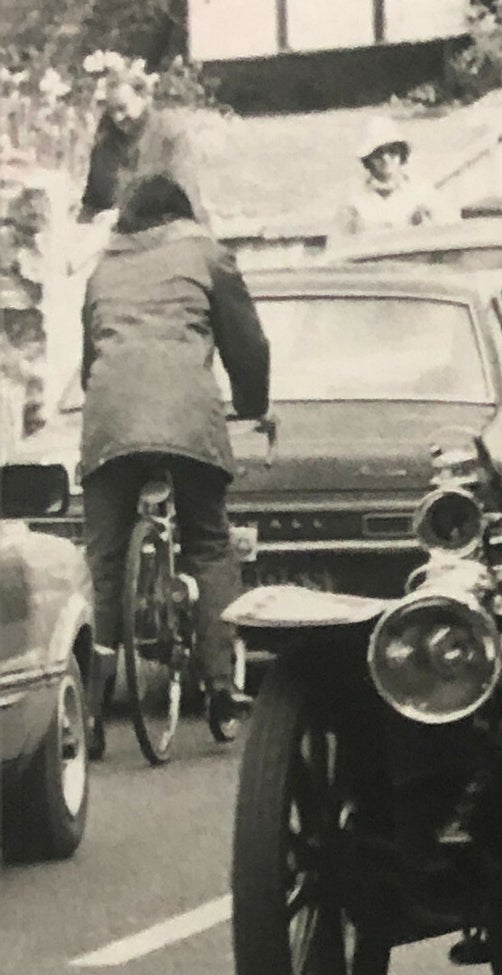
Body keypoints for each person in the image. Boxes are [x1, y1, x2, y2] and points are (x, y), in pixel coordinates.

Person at [79, 175, 270, 753]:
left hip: (111, 421)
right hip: (187, 419)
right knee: (209, 543)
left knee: (103, 562)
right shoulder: (207, 255)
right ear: (182, 215)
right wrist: (252, 405)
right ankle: (221, 685)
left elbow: (90, 360)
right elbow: (248, 346)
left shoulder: (103, 269)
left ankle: (88, 708)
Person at [77, 60, 206, 228]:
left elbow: (180, 197)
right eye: (111, 110)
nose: (117, 118)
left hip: (169, 229)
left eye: (122, 108)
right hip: (118, 235)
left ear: (143, 98)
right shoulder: (105, 143)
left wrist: (122, 215)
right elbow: (93, 202)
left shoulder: (169, 135)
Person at [329, 117, 454, 242]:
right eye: (378, 153)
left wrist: (426, 223)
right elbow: (339, 244)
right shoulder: (353, 200)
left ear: (402, 154)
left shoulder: (422, 192)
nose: (386, 158)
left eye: (392, 151)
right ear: (368, 159)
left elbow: (450, 234)